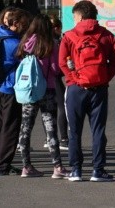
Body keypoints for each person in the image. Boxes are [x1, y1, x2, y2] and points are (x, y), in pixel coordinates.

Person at [59, 0, 115, 182]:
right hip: (99, 89)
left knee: (74, 131)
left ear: (79, 16)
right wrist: (104, 77)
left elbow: (63, 62)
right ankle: (98, 170)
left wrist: (73, 78)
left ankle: (76, 170)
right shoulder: (106, 35)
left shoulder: (69, 36)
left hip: (75, 89)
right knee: (98, 130)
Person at [15, 15, 69, 179]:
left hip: (29, 90)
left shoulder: (25, 43)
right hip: (47, 89)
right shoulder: (51, 43)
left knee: (25, 128)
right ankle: (57, 167)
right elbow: (55, 68)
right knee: (50, 129)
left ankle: (26, 166)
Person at [0, 8, 32, 176]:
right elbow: (28, 57)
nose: (26, 27)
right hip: (10, 88)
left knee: (3, 127)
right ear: (15, 24)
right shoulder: (14, 44)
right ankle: (1, 165)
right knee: (11, 129)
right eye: (24, 24)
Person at [49, 16, 68, 151]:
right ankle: (63, 138)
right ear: (56, 28)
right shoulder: (56, 42)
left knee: (48, 110)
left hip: (44, 78)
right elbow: (58, 64)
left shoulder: (40, 40)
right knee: (62, 107)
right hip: (54, 77)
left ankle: (49, 137)